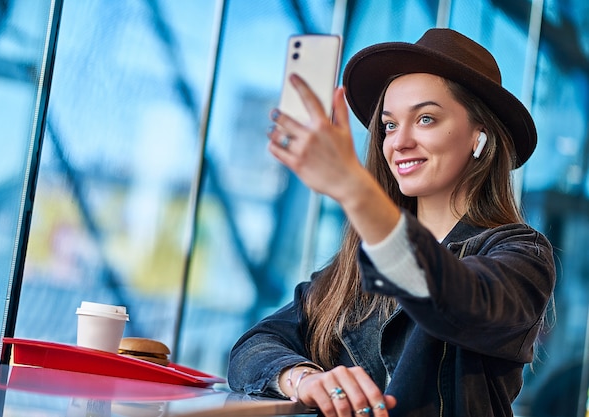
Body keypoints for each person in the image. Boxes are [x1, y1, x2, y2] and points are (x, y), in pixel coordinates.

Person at [227, 28, 556, 417]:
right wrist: (304, 378)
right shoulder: (351, 267)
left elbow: (453, 298)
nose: (399, 142)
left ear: (479, 136)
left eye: (426, 119)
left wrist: (355, 190)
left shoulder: (522, 254)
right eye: (389, 125)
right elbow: (254, 346)